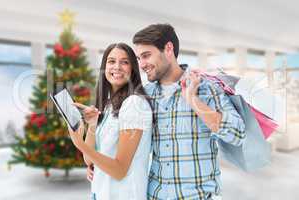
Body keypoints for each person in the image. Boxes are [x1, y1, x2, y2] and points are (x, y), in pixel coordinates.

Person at [132, 24, 246, 200]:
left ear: (168, 48)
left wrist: (193, 100)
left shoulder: (207, 88)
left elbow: (237, 134)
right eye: (139, 58)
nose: (142, 64)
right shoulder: (145, 94)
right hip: (155, 195)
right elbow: (134, 144)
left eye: (146, 56)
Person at [67, 43, 153, 200]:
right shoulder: (108, 105)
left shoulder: (134, 104)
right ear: (104, 67)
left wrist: (79, 143)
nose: (117, 67)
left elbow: (120, 171)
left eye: (125, 62)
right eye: (111, 61)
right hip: (100, 193)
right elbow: (89, 160)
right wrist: (92, 125)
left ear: (133, 68)